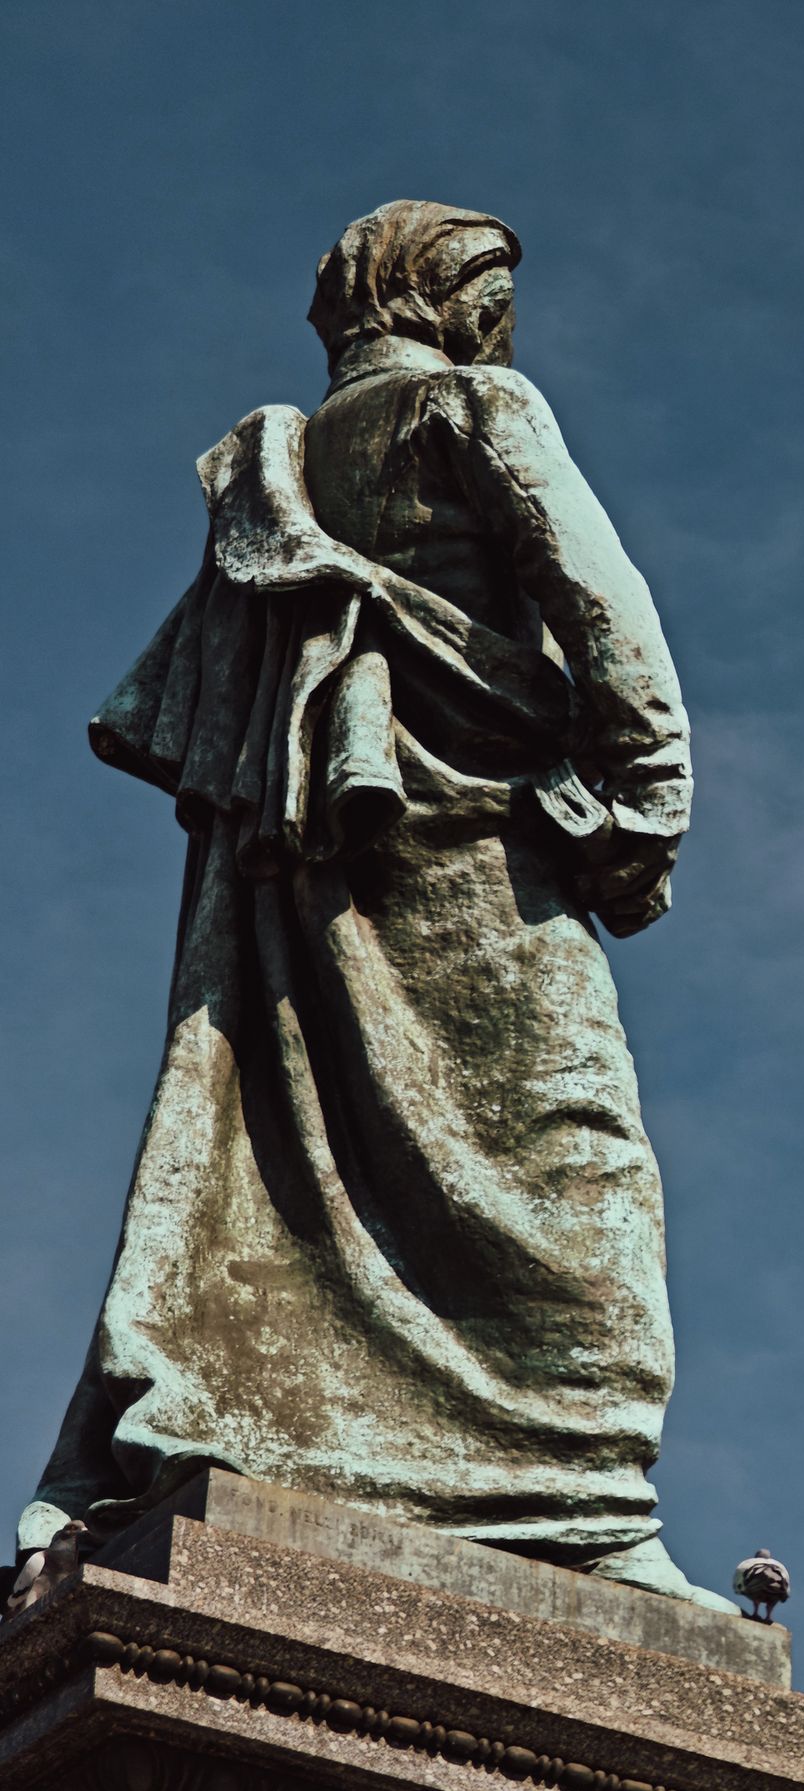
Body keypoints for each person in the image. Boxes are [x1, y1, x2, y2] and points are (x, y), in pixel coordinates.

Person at [21, 201, 727, 1610]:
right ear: (446, 300)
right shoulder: (478, 410)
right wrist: (639, 814)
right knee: (576, 1179)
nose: (505, 322)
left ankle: (273, 1447)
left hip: (307, 886)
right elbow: (610, 616)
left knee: (281, 1165)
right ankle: (585, 1504)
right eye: (494, 294)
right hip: (481, 863)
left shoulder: (270, 471)